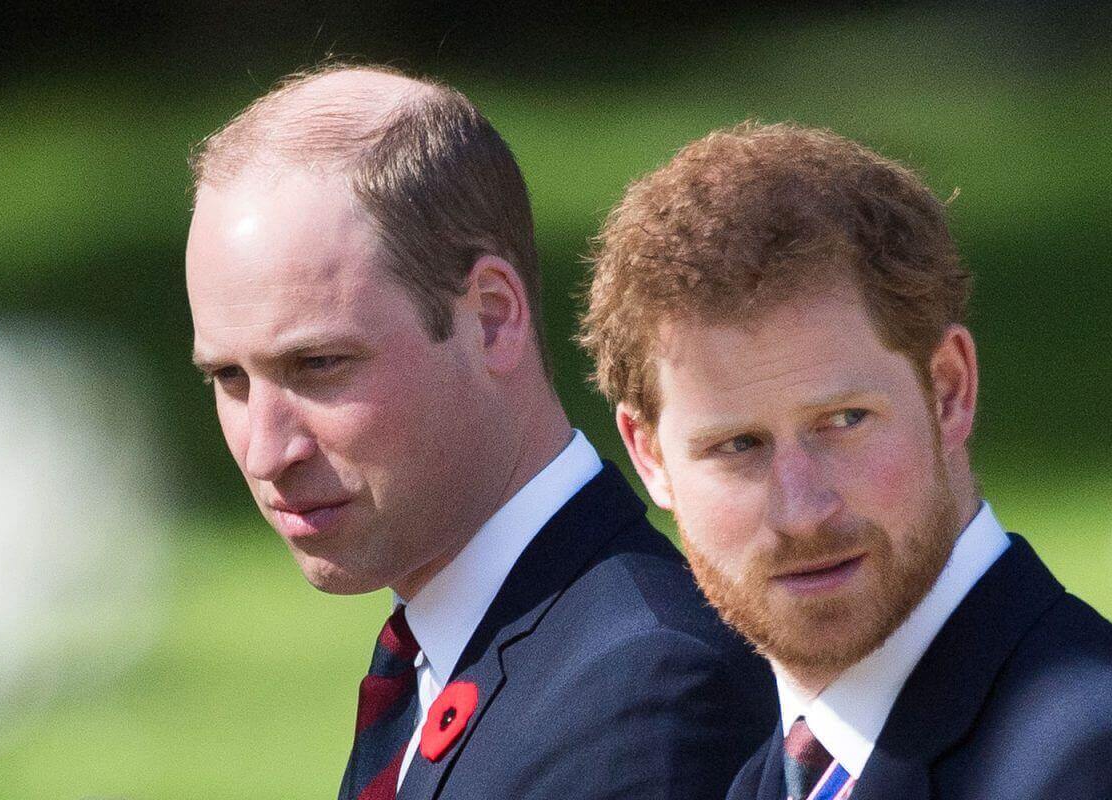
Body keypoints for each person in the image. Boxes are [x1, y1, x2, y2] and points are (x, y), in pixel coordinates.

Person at [184, 65, 777, 800]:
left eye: (320, 365)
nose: (266, 452)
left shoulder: (642, 696)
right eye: (230, 378)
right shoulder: (455, 651)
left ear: (491, 318)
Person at [579, 121, 1112, 800]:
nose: (802, 511)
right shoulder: (764, 777)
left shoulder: (1110, 764)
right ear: (650, 456)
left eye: (844, 420)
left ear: (948, 391)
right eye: (737, 445)